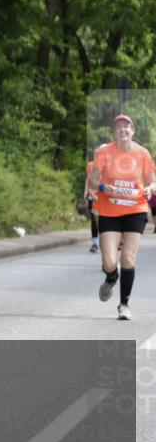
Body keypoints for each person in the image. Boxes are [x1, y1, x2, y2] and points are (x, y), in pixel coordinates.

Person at [89, 114, 156, 320]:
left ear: (133, 130)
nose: (123, 131)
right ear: (114, 132)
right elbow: (92, 181)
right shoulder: (104, 153)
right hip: (109, 211)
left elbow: (152, 182)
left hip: (135, 210)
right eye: (119, 128)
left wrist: (150, 189)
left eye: (126, 127)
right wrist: (102, 187)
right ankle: (111, 276)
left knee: (127, 258)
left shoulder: (143, 154)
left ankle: (124, 305)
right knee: (110, 261)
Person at [83, 155, 99, 253]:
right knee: (94, 219)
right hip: (92, 196)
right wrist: (85, 191)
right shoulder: (91, 165)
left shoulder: (110, 164)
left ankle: (115, 242)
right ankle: (94, 243)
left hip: (105, 197)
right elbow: (88, 179)